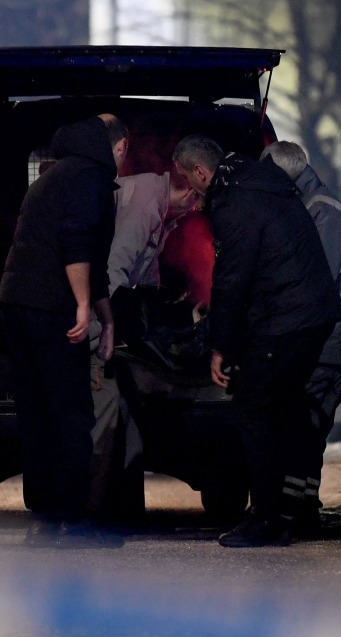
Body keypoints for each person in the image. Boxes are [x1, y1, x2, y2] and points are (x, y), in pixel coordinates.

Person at [171, 135, 341, 547]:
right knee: (281, 410)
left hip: (288, 319)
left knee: (254, 409)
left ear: (201, 172)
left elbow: (234, 278)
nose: (187, 191)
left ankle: (267, 519)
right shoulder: (256, 183)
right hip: (310, 316)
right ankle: (284, 512)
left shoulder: (236, 203)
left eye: (186, 180)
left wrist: (220, 346)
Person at [0, 114, 127, 547]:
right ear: (118, 148)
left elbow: (94, 261)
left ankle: (45, 519)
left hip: (16, 305)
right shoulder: (89, 179)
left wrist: (107, 320)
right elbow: (76, 245)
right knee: (71, 412)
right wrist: (84, 305)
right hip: (50, 309)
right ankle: (73, 521)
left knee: (35, 412)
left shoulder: (52, 178)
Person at [261, 141, 341, 532]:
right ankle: (301, 502)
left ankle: (295, 506)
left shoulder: (323, 213)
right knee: (309, 420)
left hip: (340, 337)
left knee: (306, 418)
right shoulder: (313, 206)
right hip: (337, 335)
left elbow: (316, 281)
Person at [88, 170, 198, 522]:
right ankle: (98, 511)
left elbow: (144, 274)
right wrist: (120, 328)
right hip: (99, 322)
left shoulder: (162, 208)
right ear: (186, 187)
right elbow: (115, 272)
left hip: (108, 319)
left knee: (126, 411)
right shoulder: (145, 206)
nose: (196, 209)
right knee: (108, 413)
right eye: (196, 199)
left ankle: (123, 505)